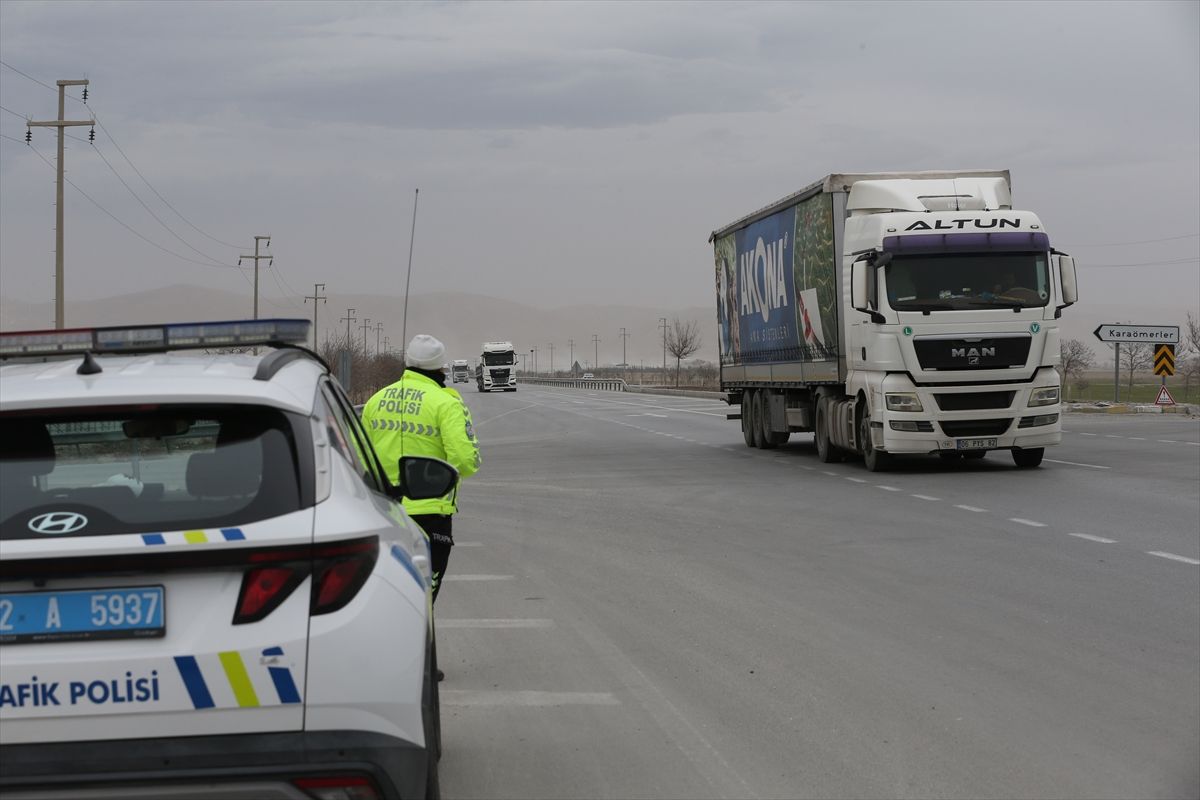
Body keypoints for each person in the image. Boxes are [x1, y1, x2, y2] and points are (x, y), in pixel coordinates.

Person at [362, 334, 481, 612]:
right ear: (441, 368)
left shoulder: (375, 401)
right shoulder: (446, 403)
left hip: (381, 513)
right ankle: (415, 651)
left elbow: (357, 458)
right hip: (430, 516)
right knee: (422, 604)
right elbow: (465, 461)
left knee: (383, 598)